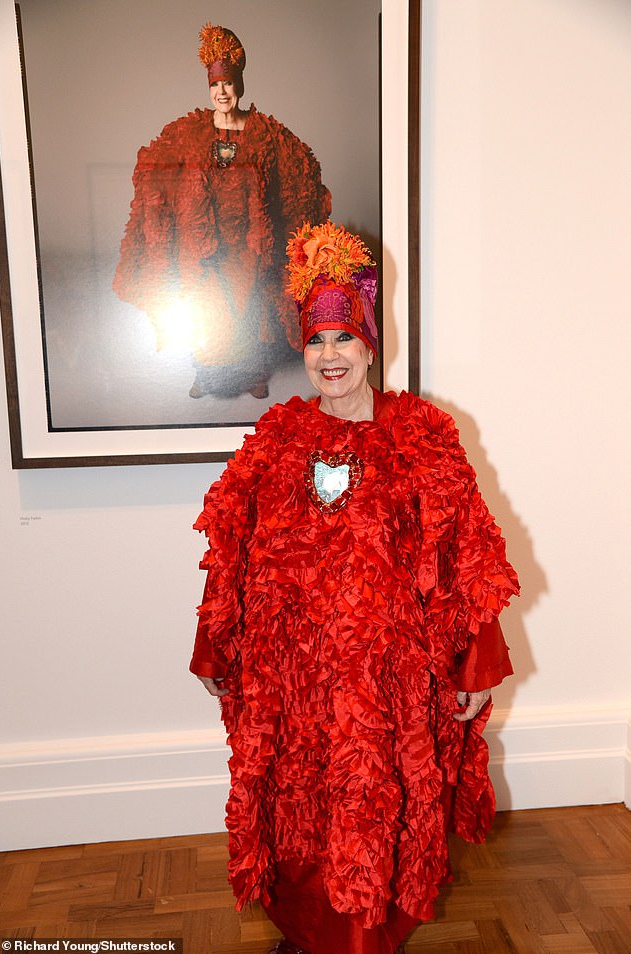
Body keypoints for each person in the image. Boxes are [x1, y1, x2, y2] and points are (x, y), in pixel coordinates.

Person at [190, 222, 520, 954]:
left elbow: (468, 556)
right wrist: (216, 645)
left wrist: (475, 665)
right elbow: (231, 554)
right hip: (296, 678)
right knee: (302, 805)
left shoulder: (424, 436)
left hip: (387, 682)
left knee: (377, 804)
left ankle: (370, 936)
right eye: (316, 341)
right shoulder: (275, 439)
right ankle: (309, 935)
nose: (329, 356)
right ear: (301, 352)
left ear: (371, 345)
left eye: (344, 339)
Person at [113, 22, 331, 401]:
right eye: (214, 85)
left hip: (249, 241)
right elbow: (156, 164)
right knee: (207, 306)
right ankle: (206, 373)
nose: (221, 92)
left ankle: (253, 374)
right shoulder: (189, 131)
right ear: (208, 89)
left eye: (227, 84)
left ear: (239, 85)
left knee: (248, 309)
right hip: (204, 242)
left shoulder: (264, 131)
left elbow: (299, 165)